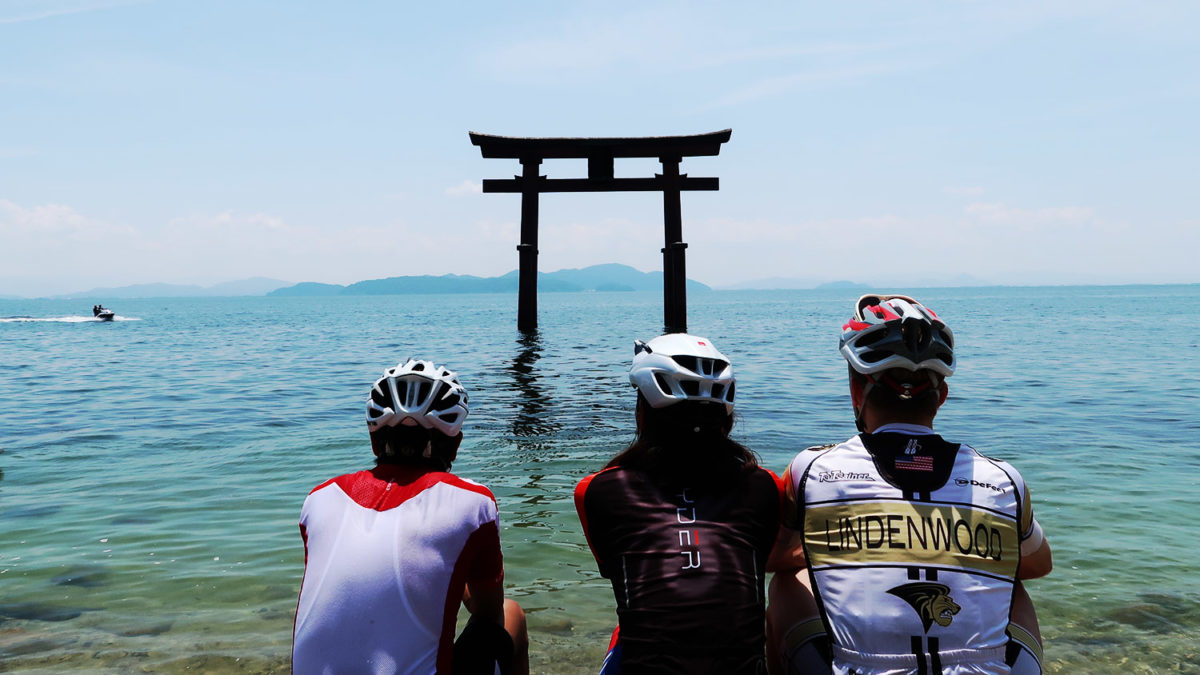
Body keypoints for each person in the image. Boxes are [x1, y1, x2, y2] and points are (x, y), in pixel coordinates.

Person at [768, 295, 1052, 675]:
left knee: (790, 582)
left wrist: (851, 551)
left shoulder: (812, 469)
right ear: (943, 398)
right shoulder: (1003, 479)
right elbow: (1037, 563)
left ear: (855, 392)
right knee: (1011, 585)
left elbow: (772, 558)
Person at [292, 359, 529, 675]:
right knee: (511, 614)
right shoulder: (474, 502)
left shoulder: (319, 499)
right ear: (455, 444)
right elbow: (486, 613)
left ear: (374, 438)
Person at [574, 333, 784, 674]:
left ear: (643, 410)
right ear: (725, 415)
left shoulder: (596, 491)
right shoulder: (765, 486)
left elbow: (621, 572)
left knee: (623, 634)